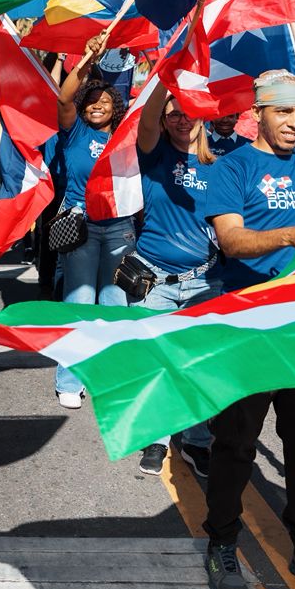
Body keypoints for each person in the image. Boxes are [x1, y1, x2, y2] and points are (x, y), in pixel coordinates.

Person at [197, 70, 295, 589]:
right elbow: (232, 241)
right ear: (257, 113)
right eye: (283, 111)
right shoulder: (231, 167)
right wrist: (289, 235)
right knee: (235, 444)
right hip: (247, 325)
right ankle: (221, 542)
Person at [127, 78, 223, 477]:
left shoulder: (220, 167)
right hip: (153, 278)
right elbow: (147, 122)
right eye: (174, 115)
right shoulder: (154, 154)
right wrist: (166, 79)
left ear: (203, 119)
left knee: (197, 364)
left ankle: (197, 441)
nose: (183, 120)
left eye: (190, 113)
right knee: (157, 360)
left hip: (206, 282)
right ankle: (157, 438)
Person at [53, 31, 135, 410]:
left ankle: (108, 377)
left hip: (120, 226)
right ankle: (69, 380)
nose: (97, 105)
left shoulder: (126, 135)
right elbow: (64, 97)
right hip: (81, 226)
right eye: (91, 101)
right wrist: (87, 59)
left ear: (115, 106)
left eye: (104, 101)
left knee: (115, 305)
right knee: (81, 302)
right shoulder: (75, 133)